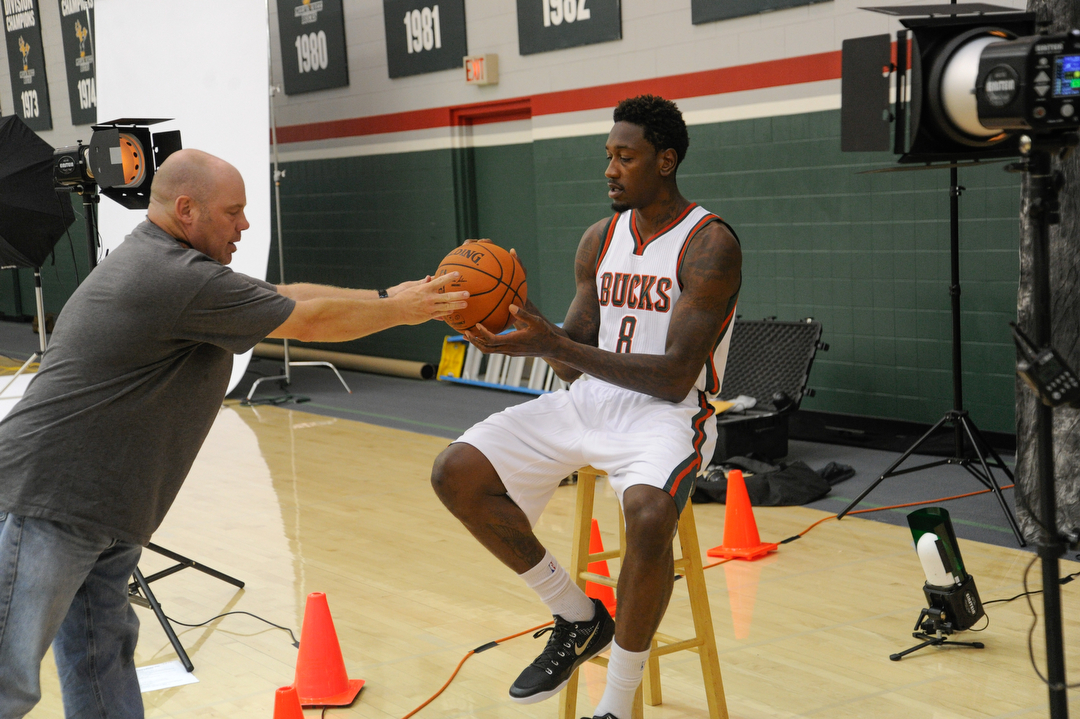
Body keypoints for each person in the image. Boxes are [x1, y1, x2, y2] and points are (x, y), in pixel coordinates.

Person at [0, 149, 468, 718]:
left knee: (100, 659)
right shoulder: (173, 277)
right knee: (10, 676)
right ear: (187, 209)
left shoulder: (179, 268)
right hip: (51, 499)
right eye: (234, 211)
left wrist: (383, 299)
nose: (245, 224)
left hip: (104, 507)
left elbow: (285, 295)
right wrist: (402, 313)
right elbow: (309, 321)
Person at [431, 95, 741, 719]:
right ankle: (575, 615)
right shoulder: (598, 239)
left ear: (666, 160)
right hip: (587, 400)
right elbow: (571, 360)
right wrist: (529, 337)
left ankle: (617, 705)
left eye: (625, 157)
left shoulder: (709, 244)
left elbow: (677, 374)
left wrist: (556, 343)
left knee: (649, 515)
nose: (610, 169)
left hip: (670, 413)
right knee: (454, 471)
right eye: (608, 156)